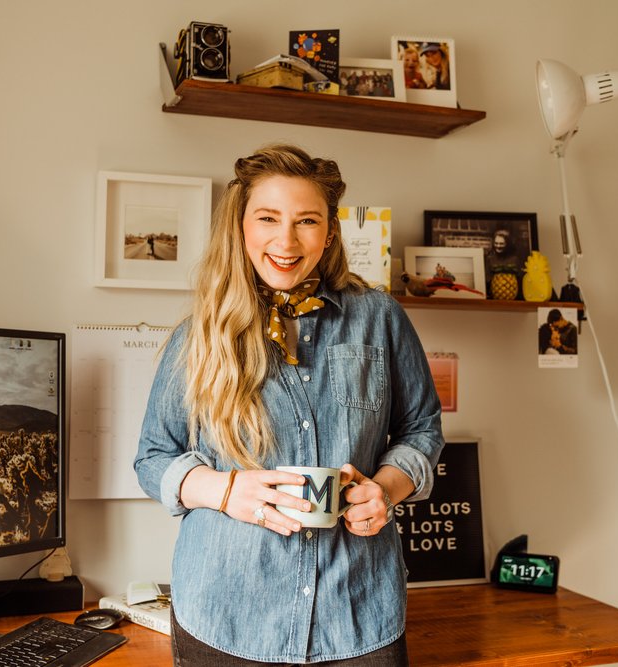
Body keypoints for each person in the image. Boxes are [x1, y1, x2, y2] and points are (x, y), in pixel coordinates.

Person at [135, 144, 444, 665]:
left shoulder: (379, 318)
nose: (286, 239)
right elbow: (152, 457)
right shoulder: (199, 336)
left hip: (358, 615)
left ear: (329, 233)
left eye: (306, 221)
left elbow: (422, 431)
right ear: (242, 227)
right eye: (268, 218)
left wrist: (385, 491)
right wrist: (227, 491)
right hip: (224, 618)